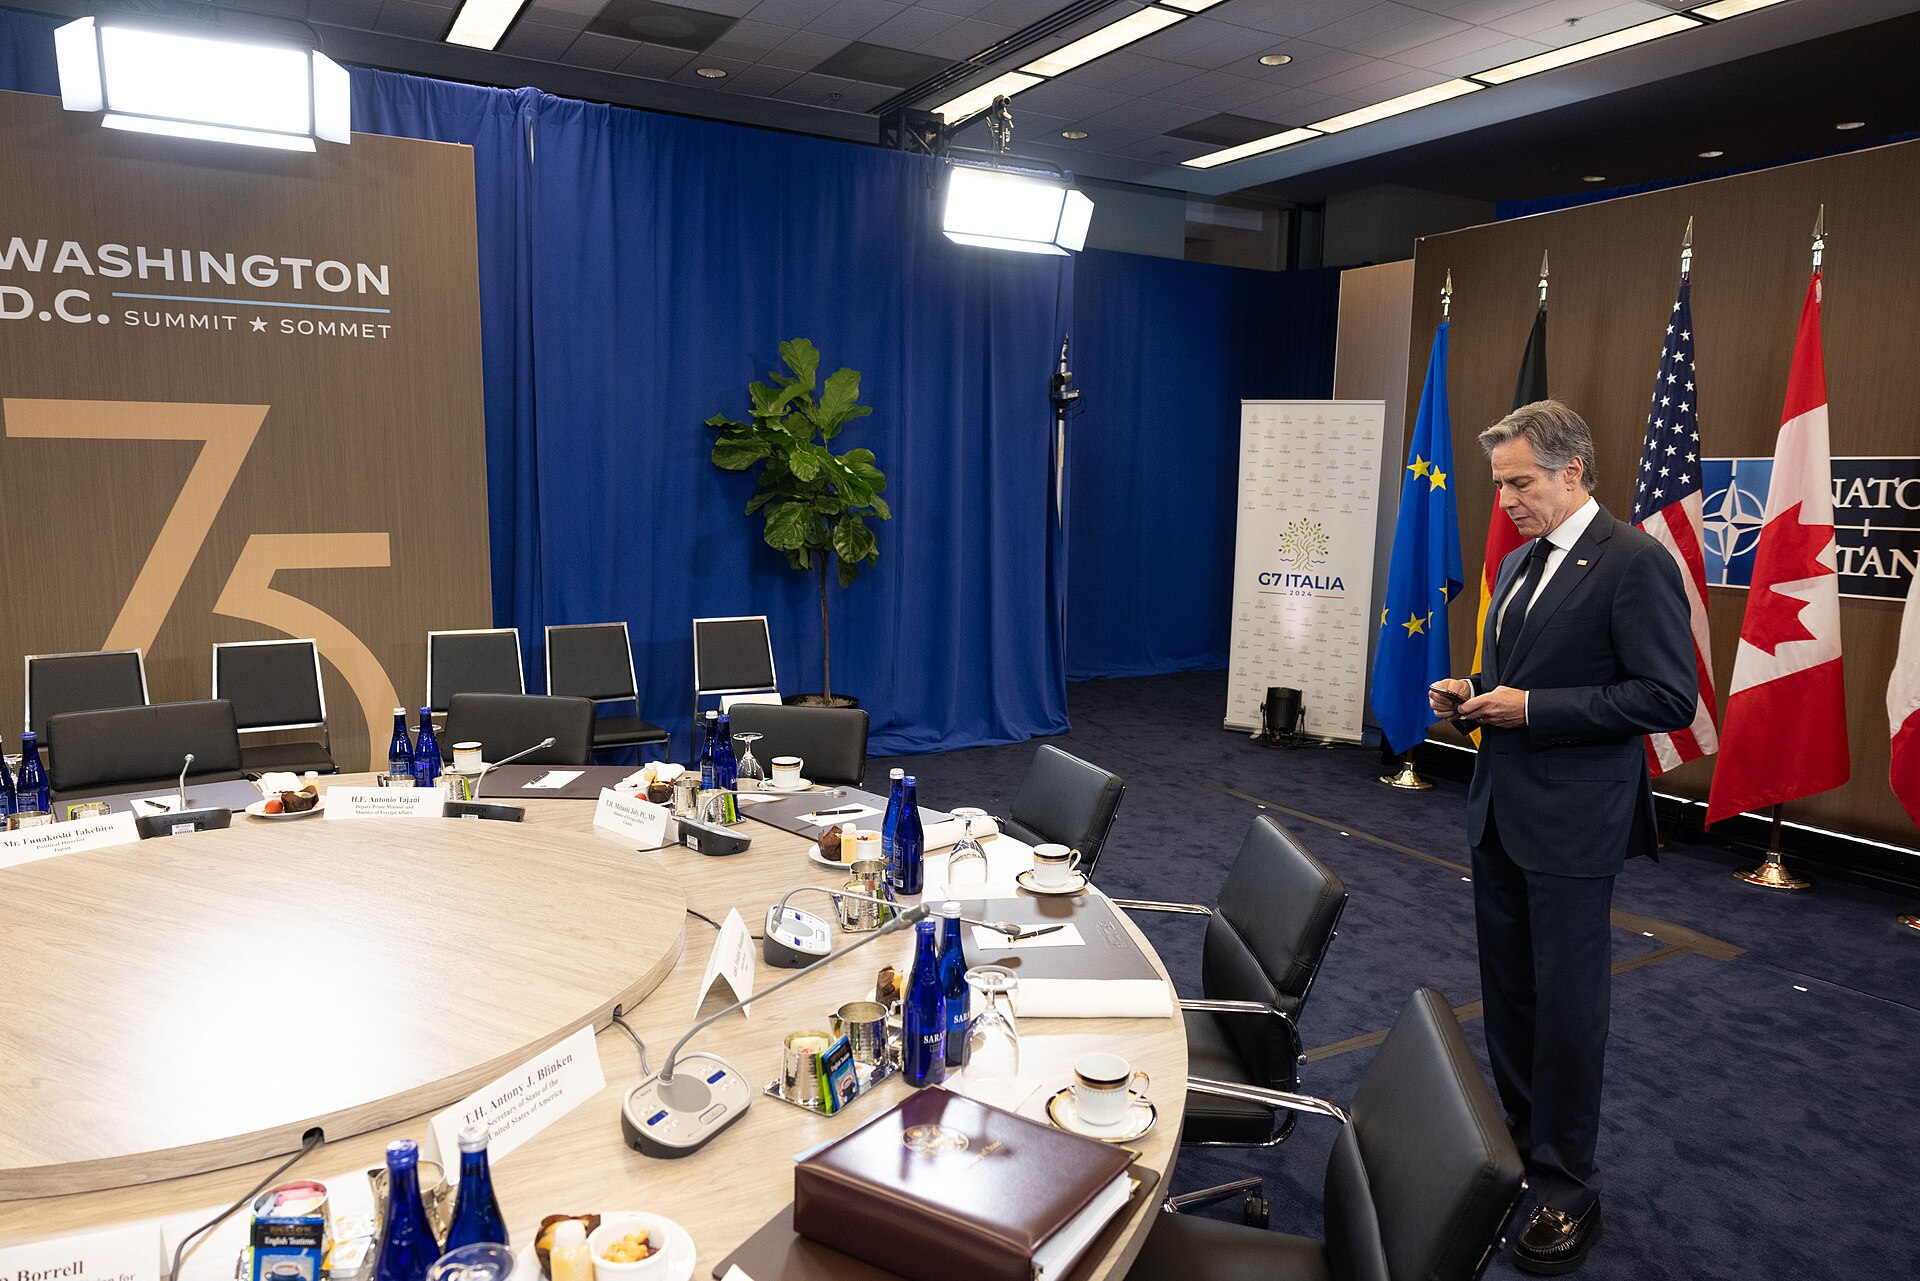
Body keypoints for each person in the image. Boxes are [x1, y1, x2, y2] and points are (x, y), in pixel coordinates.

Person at [1428, 400, 1693, 1276]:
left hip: (1576, 825)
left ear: (1572, 471)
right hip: (1501, 811)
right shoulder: (1518, 563)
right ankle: (1519, 1144)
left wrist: (1534, 708)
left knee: (1569, 1008)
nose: (1505, 500)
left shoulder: (1634, 562)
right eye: (1500, 484)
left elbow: (1666, 697)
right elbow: (1518, 674)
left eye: (1520, 483)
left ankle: (1568, 1181)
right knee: (1509, 993)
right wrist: (1473, 691)